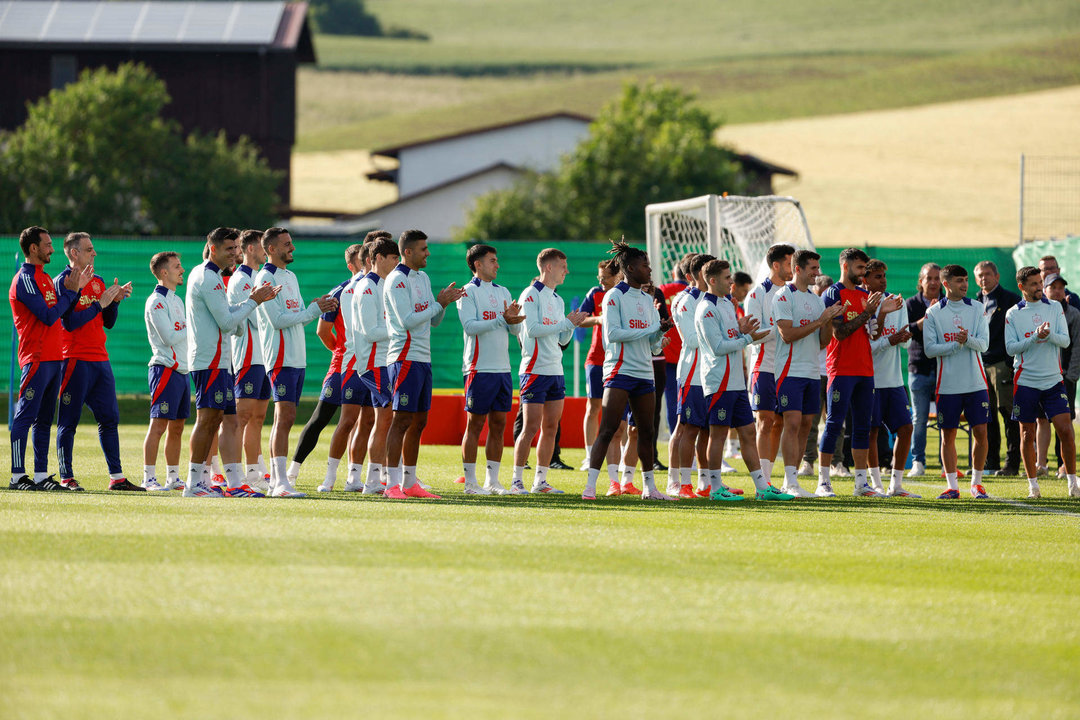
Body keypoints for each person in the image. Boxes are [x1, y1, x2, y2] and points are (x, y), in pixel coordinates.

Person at [184, 227, 280, 497]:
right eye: (230, 249)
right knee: (207, 420)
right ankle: (195, 483)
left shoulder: (212, 275)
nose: (235, 254)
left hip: (221, 360)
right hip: (209, 359)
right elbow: (227, 321)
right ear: (212, 248)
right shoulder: (208, 277)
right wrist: (254, 301)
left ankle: (235, 484)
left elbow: (228, 320)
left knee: (230, 420)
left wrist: (242, 315)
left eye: (237, 248)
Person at [583, 240, 673, 500]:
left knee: (646, 431)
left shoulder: (648, 299)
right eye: (645, 265)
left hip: (645, 374)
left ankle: (650, 489)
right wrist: (651, 331)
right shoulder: (613, 296)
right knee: (609, 429)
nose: (649, 269)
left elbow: (653, 347)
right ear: (631, 268)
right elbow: (613, 334)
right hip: (619, 372)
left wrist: (660, 337)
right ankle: (590, 487)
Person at [696, 259, 789, 501]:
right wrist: (747, 339)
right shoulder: (705, 309)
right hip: (718, 382)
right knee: (718, 434)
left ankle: (762, 488)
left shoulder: (727, 304)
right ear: (713, 280)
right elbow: (717, 347)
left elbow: (731, 337)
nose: (731, 281)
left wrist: (742, 331)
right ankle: (715, 489)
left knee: (748, 432)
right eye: (727, 278)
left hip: (736, 382)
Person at [254, 227, 337, 497]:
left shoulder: (290, 275)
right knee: (284, 416)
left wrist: (316, 305)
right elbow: (277, 320)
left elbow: (299, 312)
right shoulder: (264, 277)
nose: (293, 248)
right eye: (287, 244)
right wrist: (313, 310)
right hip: (279, 356)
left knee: (287, 418)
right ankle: (279, 483)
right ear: (272, 249)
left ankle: (277, 481)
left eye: (292, 243)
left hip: (296, 357)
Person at [8, 226, 91, 491]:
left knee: (44, 421)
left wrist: (72, 292)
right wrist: (70, 292)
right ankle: (17, 477)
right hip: (37, 357)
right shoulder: (26, 278)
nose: (52, 249)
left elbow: (60, 310)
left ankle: (41, 476)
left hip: (55, 358)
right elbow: (48, 316)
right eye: (47, 245)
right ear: (33, 248)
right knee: (24, 417)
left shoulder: (44, 277)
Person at [383, 229, 464, 499]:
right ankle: (391, 485)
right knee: (401, 419)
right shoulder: (396, 280)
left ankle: (409, 483)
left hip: (423, 358)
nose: (428, 253)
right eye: (423, 249)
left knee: (419, 421)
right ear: (407, 252)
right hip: (404, 357)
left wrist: (444, 305)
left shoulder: (423, 277)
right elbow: (406, 320)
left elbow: (432, 320)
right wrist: (437, 304)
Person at [54, 232, 138, 491]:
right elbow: (69, 323)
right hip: (74, 360)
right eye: (89, 249)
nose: (95, 253)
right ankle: (66, 477)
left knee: (110, 418)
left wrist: (114, 302)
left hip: (100, 359)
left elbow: (108, 323)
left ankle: (117, 477)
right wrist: (100, 305)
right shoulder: (64, 281)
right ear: (74, 253)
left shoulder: (99, 282)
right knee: (68, 421)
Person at [817, 248, 901, 498]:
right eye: (859, 268)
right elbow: (839, 333)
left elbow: (873, 333)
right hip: (841, 368)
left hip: (865, 369)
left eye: (865, 268)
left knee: (863, 426)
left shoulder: (865, 295)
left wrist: (882, 313)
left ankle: (861, 484)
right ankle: (823, 481)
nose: (863, 272)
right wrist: (867, 313)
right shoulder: (833, 293)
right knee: (834, 424)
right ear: (845, 266)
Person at [288, 243, 364, 492]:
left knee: (363, 422)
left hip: (366, 364)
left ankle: (358, 477)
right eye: (362, 262)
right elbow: (322, 330)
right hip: (342, 366)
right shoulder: (339, 293)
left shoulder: (377, 287)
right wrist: (339, 351)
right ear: (351, 265)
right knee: (322, 418)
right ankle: (293, 472)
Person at [513, 249, 587, 495]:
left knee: (551, 428)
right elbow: (532, 329)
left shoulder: (557, 299)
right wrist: (565, 324)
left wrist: (570, 325)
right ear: (548, 268)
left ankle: (540, 482)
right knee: (530, 427)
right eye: (563, 266)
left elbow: (560, 338)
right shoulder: (530, 294)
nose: (567, 271)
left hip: (555, 369)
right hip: (534, 369)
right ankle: (516, 482)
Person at [455, 244, 525, 494]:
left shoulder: (503, 290)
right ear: (478, 264)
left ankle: (492, 481)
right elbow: (470, 327)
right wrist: (501, 319)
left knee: (498, 425)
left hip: (502, 369)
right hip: (478, 368)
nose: (497, 265)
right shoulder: (466, 292)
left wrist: (514, 320)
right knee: (474, 426)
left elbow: (513, 330)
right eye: (492, 260)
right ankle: (470, 483)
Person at [1005, 266, 1078, 498]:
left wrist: (1048, 336)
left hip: (1054, 380)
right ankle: (1033, 486)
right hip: (1025, 380)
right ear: (1022, 287)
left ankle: (1073, 484)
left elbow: (1065, 341)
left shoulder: (1055, 307)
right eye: (1034, 284)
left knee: (1066, 430)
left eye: (1040, 282)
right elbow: (1011, 348)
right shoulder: (1013, 313)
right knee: (1027, 434)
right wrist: (1035, 337)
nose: (1039, 287)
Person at [774, 250, 842, 497]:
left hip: (812, 372)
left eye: (818, 268)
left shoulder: (816, 300)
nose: (817, 273)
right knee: (791, 422)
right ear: (798, 269)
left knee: (805, 425)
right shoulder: (783, 296)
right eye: (813, 268)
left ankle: (793, 481)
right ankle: (789, 481)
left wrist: (828, 321)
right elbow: (787, 335)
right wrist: (819, 320)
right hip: (789, 370)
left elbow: (823, 342)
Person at [923, 264, 991, 499]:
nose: (965, 285)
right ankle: (952, 486)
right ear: (946, 284)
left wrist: (968, 339)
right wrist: (956, 344)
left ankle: (977, 483)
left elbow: (984, 345)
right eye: (959, 280)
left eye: (965, 280)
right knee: (947, 435)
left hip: (976, 383)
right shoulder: (933, 313)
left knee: (981, 432)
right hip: (948, 385)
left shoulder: (977, 308)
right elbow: (930, 350)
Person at [668, 253, 728, 498]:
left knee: (706, 430)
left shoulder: (714, 300)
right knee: (687, 428)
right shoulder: (687, 301)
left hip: (710, 372)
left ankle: (706, 483)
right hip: (692, 371)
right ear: (696, 275)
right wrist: (720, 338)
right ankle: (680, 483)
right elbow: (691, 339)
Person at [348, 234, 400, 495]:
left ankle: (385, 478)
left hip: (385, 361)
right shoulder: (367, 287)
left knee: (386, 419)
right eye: (394, 258)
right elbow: (370, 332)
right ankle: (371, 481)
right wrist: (401, 329)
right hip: (373, 362)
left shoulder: (384, 284)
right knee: (384, 419)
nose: (397, 263)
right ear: (378, 258)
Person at [863, 259, 919, 497]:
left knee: (906, 428)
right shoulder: (861, 304)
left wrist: (902, 338)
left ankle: (895, 484)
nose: (883, 280)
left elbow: (905, 342)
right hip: (870, 380)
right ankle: (876, 483)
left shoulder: (898, 302)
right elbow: (866, 346)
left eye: (884, 276)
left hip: (895, 380)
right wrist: (890, 340)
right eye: (877, 276)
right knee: (872, 432)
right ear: (865, 280)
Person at [744, 244, 795, 485]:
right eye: (789, 263)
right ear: (776, 265)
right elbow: (753, 333)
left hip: (787, 367)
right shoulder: (757, 294)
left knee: (781, 422)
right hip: (763, 365)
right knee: (764, 420)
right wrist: (784, 329)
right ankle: (761, 481)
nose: (793, 268)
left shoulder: (794, 293)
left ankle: (770, 478)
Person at [227, 229, 273, 491]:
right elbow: (255, 317)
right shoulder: (241, 280)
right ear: (251, 249)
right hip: (247, 355)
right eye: (261, 246)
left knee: (258, 416)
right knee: (241, 416)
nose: (266, 251)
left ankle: (255, 471)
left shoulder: (258, 277)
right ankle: (233, 472)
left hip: (263, 356)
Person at [142, 251, 190, 491]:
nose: (182, 270)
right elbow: (168, 336)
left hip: (182, 371)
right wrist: (194, 328)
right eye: (177, 266)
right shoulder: (156, 301)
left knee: (178, 426)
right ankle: (149, 478)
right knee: (158, 424)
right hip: (165, 369)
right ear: (164, 273)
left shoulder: (177, 300)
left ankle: (173, 477)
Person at [974, 260, 1021, 476]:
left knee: (1009, 415)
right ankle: (990, 463)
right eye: (980, 275)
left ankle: (1012, 464)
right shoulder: (973, 302)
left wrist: (1012, 364)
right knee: (988, 416)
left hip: (1003, 364)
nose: (984, 278)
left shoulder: (1011, 300)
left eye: (987, 274)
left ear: (997, 276)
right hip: (980, 366)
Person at [578, 260, 620, 470]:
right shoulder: (595, 293)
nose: (601, 281)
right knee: (593, 406)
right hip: (596, 359)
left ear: (618, 276)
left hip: (621, 361)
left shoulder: (626, 293)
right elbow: (579, 319)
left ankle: (618, 459)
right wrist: (598, 320)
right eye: (599, 277)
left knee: (619, 411)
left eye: (606, 277)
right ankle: (589, 455)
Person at [904, 262, 941, 478]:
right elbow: (905, 330)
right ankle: (918, 461)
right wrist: (925, 318)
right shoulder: (910, 304)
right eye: (929, 278)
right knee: (919, 418)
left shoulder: (948, 303)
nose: (933, 282)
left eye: (937, 278)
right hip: (918, 368)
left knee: (947, 416)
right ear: (921, 281)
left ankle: (948, 463)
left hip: (944, 368)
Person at [1046, 273, 1080, 477]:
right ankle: (1040, 463)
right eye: (1053, 287)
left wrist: (1071, 375)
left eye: (1060, 287)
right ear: (1045, 289)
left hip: (1064, 376)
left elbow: (1077, 347)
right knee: (1039, 422)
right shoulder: (1035, 313)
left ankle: (1064, 465)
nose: (1057, 291)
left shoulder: (1074, 314)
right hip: (1041, 376)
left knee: (1064, 424)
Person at [659, 255, 693, 437]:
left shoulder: (662, 290)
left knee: (672, 401)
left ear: (673, 273)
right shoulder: (693, 294)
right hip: (691, 356)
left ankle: (675, 439)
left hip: (666, 357)